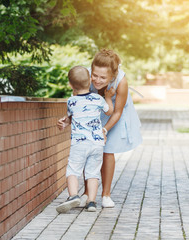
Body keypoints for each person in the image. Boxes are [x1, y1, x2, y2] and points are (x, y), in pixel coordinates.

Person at [58, 49, 143, 208]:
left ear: (112, 76)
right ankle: (87, 195)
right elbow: (77, 104)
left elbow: (117, 111)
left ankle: (106, 194)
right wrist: (68, 119)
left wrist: (103, 130)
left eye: (103, 78)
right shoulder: (84, 77)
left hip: (114, 113)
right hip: (92, 111)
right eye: (95, 75)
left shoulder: (121, 82)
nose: (97, 80)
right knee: (88, 148)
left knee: (107, 149)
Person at [56, 66, 114, 213]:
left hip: (79, 144)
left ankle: (73, 196)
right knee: (93, 173)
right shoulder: (98, 99)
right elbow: (110, 111)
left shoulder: (71, 101)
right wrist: (107, 97)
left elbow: (71, 118)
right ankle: (92, 202)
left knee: (73, 170)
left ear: (70, 85)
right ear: (90, 81)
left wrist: (64, 123)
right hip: (97, 143)